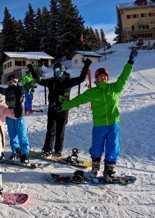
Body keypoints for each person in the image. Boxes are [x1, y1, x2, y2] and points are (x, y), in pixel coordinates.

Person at [57, 50, 138, 181]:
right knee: (96, 147)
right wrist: (62, 106)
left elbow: (124, 76)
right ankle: (95, 168)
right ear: (96, 78)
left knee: (113, 147)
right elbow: (77, 100)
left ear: (107, 77)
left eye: (105, 75)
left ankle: (109, 170)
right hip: (99, 125)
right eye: (100, 76)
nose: (103, 77)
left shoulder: (115, 88)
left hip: (112, 124)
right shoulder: (92, 92)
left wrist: (130, 62)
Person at [31, 58, 92, 157]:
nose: (57, 72)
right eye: (55, 70)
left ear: (63, 70)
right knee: (50, 130)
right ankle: (47, 149)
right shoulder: (51, 81)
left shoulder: (68, 81)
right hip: (52, 109)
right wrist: (32, 70)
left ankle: (58, 150)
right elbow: (40, 81)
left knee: (60, 131)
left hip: (63, 109)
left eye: (59, 70)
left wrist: (86, 66)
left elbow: (81, 79)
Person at [0, 75, 30, 163]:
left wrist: (33, 74)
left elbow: (31, 84)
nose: (11, 83)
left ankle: (24, 153)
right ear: (7, 83)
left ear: (16, 81)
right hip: (9, 115)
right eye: (9, 82)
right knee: (12, 135)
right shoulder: (6, 90)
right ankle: (15, 151)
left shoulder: (21, 89)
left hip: (19, 115)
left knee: (22, 135)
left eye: (13, 82)